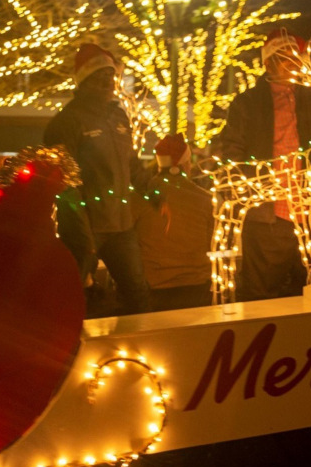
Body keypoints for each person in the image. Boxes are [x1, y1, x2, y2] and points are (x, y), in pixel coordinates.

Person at [217, 30, 311, 301]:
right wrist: (255, 186)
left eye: (296, 57)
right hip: (268, 217)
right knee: (261, 294)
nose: (293, 62)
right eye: (285, 57)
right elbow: (231, 150)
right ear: (268, 63)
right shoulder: (247, 102)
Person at [44, 42, 151, 316]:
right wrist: (82, 232)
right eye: (100, 76)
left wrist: (156, 192)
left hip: (121, 225)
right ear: (85, 80)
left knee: (137, 292)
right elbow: (64, 182)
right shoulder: (67, 122)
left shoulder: (119, 116)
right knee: (73, 297)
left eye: (110, 76)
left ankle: (131, 351)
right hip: (86, 227)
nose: (108, 82)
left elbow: (131, 164)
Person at [136, 133, 214, 311]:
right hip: (198, 288)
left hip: (155, 289)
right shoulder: (205, 199)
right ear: (186, 164)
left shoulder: (140, 198)